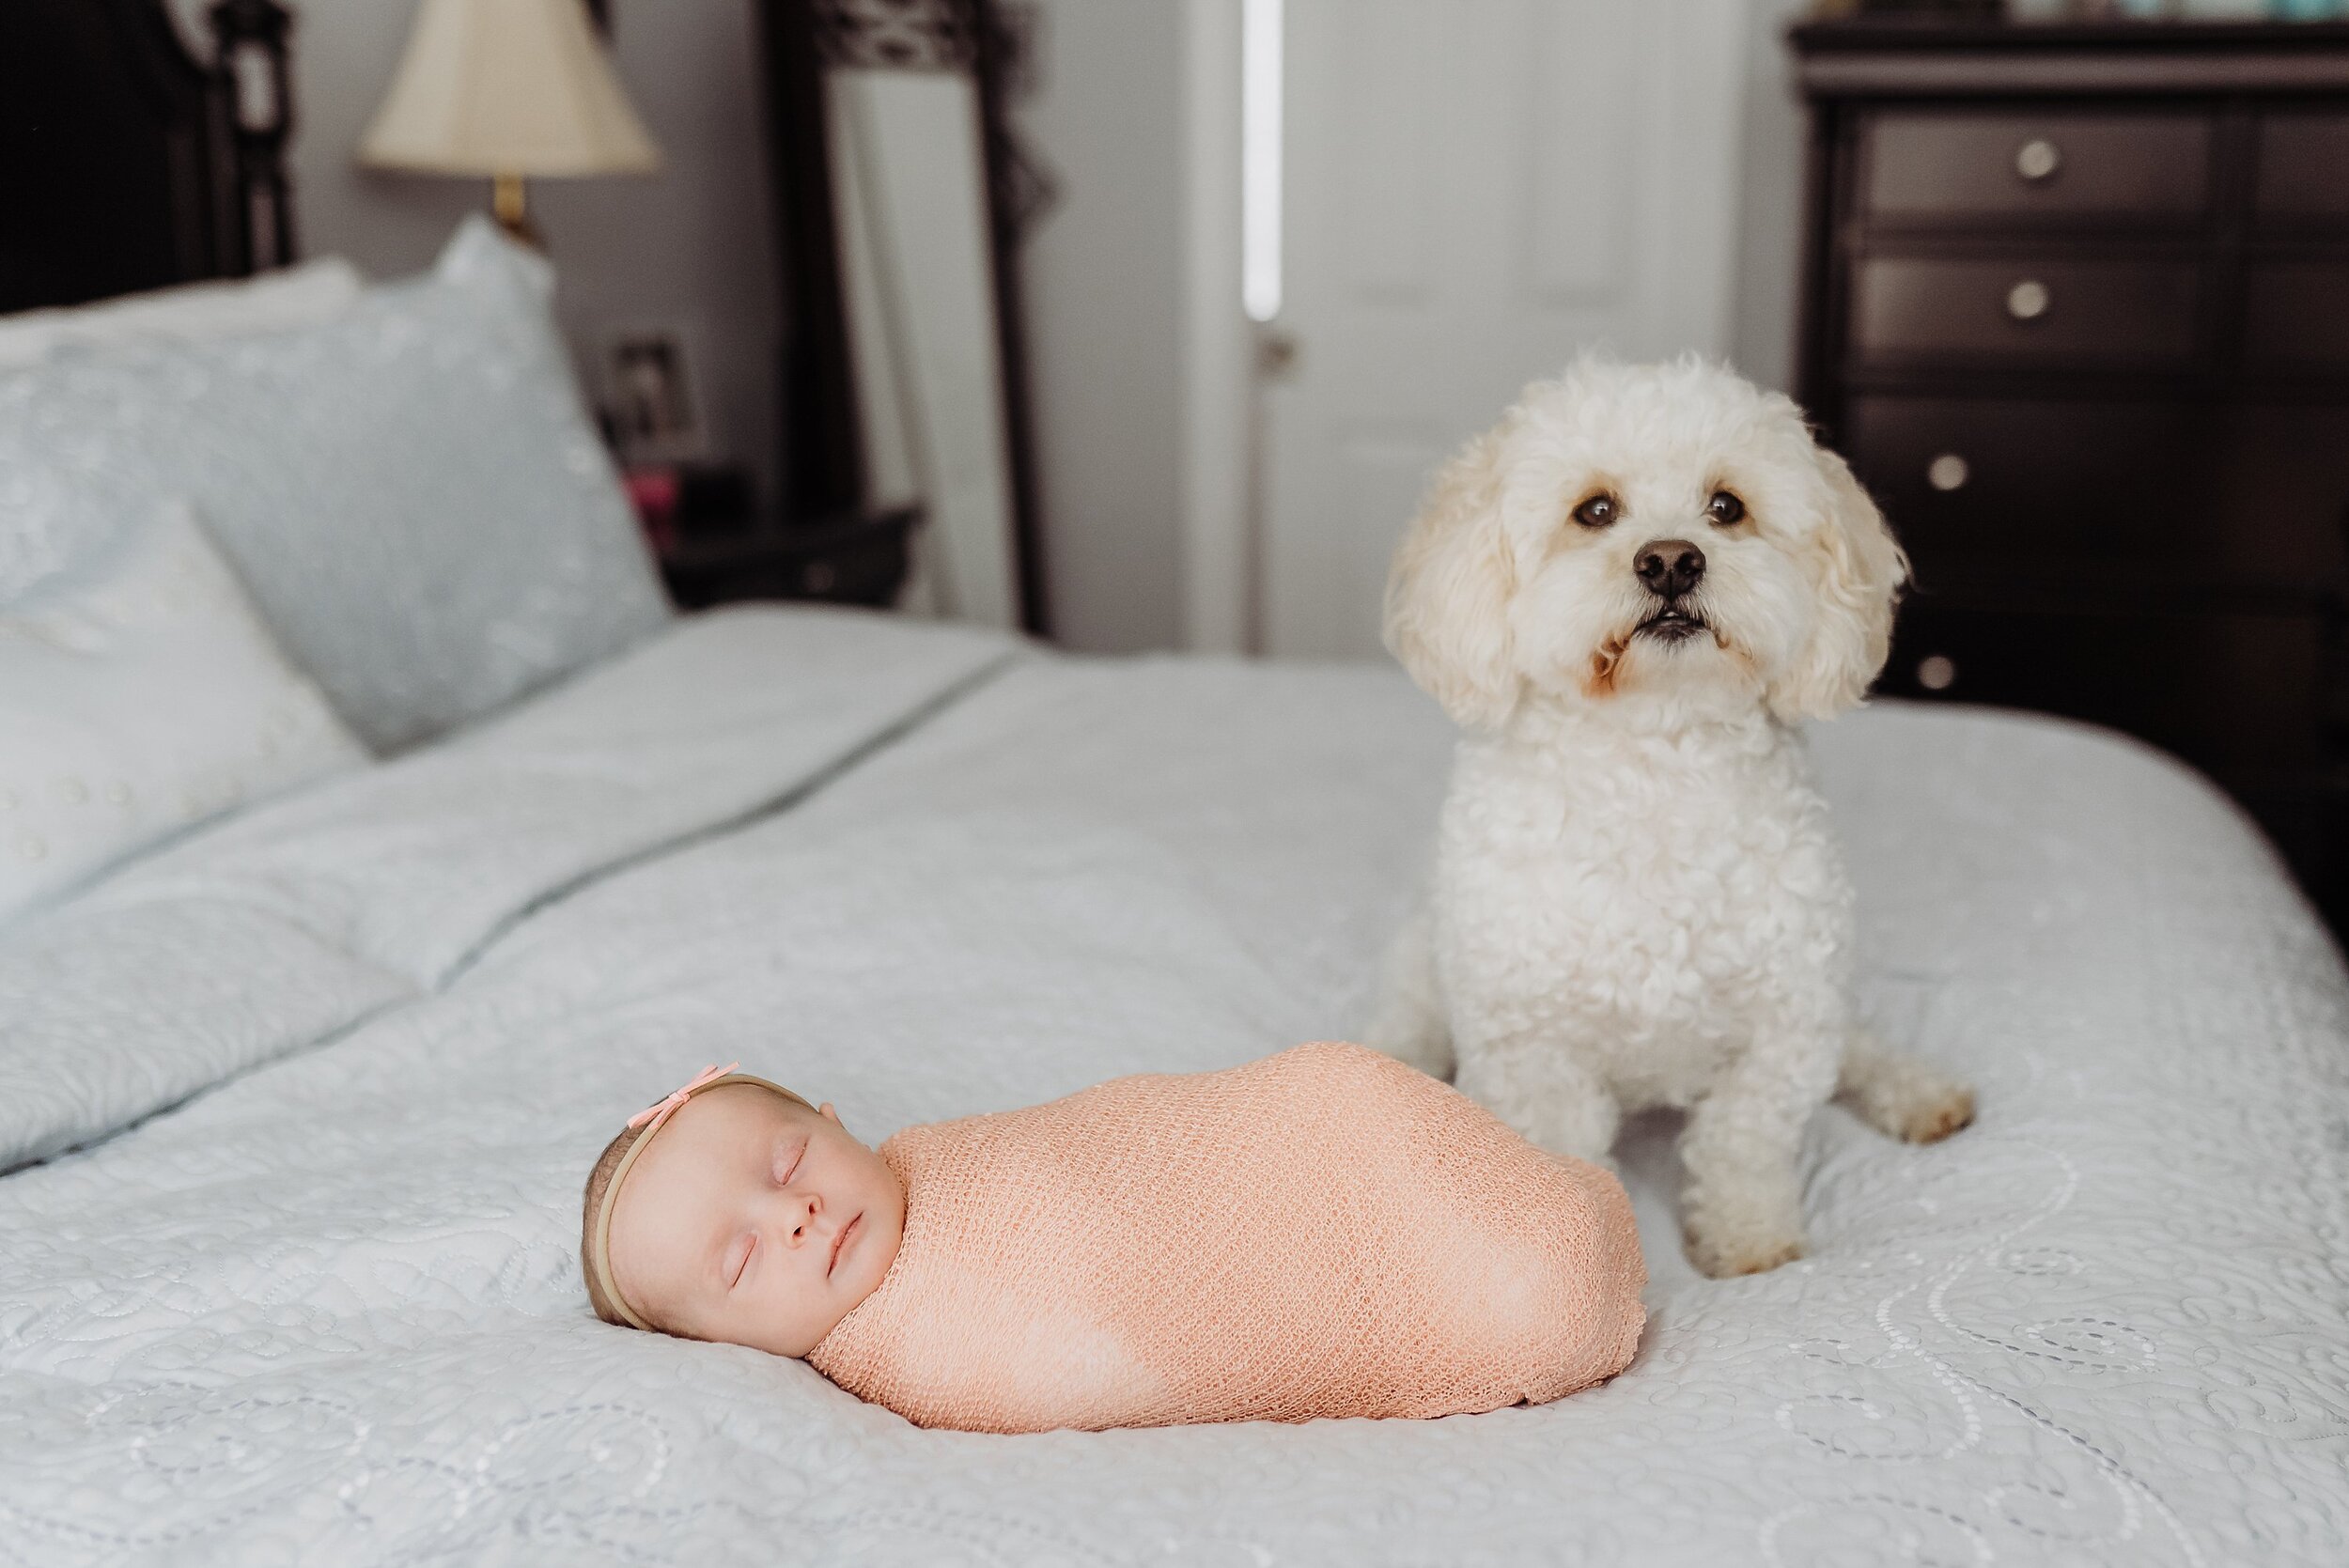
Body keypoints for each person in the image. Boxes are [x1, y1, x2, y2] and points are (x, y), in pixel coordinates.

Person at [581, 1043, 1646, 1435]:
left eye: (786, 1161)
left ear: (832, 1118)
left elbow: (1128, 1137)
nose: (794, 1213)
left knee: (1347, 1100)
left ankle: (1514, 1197)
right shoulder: (913, 1360)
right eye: (741, 1259)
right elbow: (1121, 1335)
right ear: (723, 1348)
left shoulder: (941, 1156)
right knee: (1530, 1295)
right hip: (1304, 1271)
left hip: (1319, 1130)